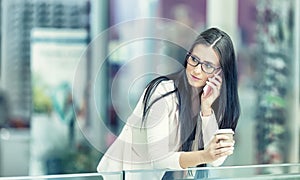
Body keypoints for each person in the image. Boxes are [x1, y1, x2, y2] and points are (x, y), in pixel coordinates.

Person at [97, 27, 240, 179]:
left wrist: (206, 110)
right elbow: (159, 159)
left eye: (208, 66)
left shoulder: (213, 101)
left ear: (221, 73)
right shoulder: (163, 93)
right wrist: (204, 156)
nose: (197, 70)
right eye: (194, 60)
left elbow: (216, 160)